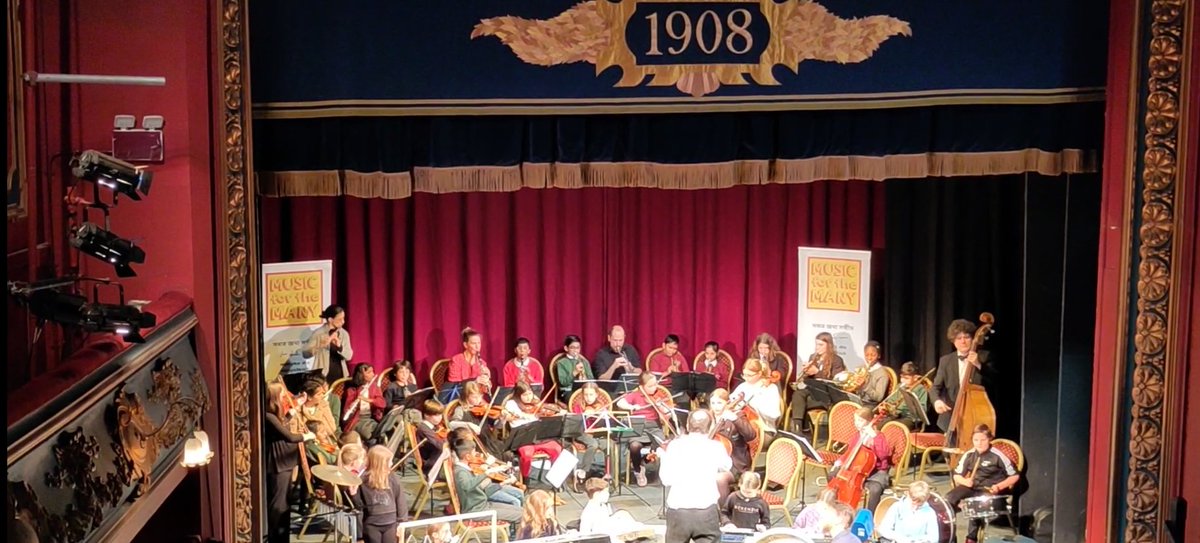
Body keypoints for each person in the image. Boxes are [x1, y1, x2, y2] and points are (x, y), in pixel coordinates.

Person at [659, 411, 732, 543]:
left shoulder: (675, 446)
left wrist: (663, 457)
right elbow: (726, 466)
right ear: (710, 427)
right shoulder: (716, 447)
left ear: (687, 425)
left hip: (678, 512)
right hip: (706, 513)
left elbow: (666, 479)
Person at [945, 425, 1019, 543]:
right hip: (972, 486)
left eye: (983, 440)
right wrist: (965, 481)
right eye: (976, 440)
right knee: (948, 499)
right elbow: (956, 475)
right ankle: (950, 536)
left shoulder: (998, 455)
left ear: (989, 439)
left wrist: (999, 486)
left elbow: (1015, 476)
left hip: (991, 489)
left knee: (975, 504)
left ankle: (971, 538)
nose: (979, 443)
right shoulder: (969, 454)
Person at [264, 382, 316, 543]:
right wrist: (307, 436)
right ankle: (276, 538)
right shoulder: (268, 416)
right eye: (281, 395)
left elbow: (283, 424)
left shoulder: (274, 415)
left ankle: (283, 537)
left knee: (285, 504)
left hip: (285, 463)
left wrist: (293, 411)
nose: (284, 398)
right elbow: (289, 436)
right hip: (278, 464)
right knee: (278, 506)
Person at [932, 319, 992, 432]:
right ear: (953, 341)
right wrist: (937, 401)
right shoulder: (946, 361)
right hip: (950, 418)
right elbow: (935, 388)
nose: (963, 341)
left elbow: (996, 381)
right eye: (959, 338)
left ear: (973, 339)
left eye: (966, 337)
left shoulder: (984, 357)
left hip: (976, 418)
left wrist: (979, 364)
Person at [829, 406, 892, 513]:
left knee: (875, 489)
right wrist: (840, 461)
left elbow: (884, 455)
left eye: (860, 420)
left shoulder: (878, 436)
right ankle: (834, 506)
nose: (856, 423)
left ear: (869, 421)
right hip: (858, 470)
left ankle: (869, 516)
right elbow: (850, 451)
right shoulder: (857, 435)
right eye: (855, 420)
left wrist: (873, 436)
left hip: (876, 472)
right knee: (833, 474)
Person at [450, 437, 524, 526]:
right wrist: (486, 473)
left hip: (483, 505)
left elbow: (483, 493)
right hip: (476, 511)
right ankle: (513, 538)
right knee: (521, 515)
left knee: (522, 511)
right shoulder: (460, 472)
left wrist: (503, 484)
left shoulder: (465, 470)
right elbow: (466, 486)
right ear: (468, 456)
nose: (477, 455)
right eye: (474, 453)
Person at [616, 372, 672, 486]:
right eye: (650, 386)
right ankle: (638, 470)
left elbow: (668, 413)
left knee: (663, 446)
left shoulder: (659, 395)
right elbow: (620, 402)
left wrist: (660, 405)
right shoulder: (635, 395)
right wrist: (631, 407)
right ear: (641, 386)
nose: (654, 388)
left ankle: (644, 462)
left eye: (655, 384)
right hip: (638, 426)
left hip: (654, 427)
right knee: (634, 446)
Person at [504, 382, 566, 480]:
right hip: (523, 440)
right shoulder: (511, 404)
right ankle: (525, 478)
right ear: (518, 395)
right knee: (527, 454)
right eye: (525, 395)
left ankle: (555, 478)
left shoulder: (535, 402)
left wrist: (557, 411)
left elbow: (545, 412)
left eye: (530, 394)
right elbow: (517, 415)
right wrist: (527, 415)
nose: (528, 397)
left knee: (557, 448)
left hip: (539, 437)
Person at [789, 332, 846, 435]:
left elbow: (835, 383)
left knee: (800, 403)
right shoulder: (813, 357)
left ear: (829, 345)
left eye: (820, 345)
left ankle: (805, 429)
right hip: (813, 391)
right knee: (798, 394)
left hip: (827, 395)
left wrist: (817, 372)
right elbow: (809, 380)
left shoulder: (837, 360)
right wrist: (806, 373)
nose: (817, 348)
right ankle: (797, 428)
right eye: (816, 344)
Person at [350, 445, 409, 543]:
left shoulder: (392, 478)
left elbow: (400, 501)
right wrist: (354, 495)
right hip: (372, 524)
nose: (392, 463)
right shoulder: (363, 480)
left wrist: (402, 522)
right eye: (389, 461)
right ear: (381, 463)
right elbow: (359, 506)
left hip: (391, 523)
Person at [709, 388, 756, 476]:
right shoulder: (709, 416)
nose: (716, 407)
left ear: (727, 402)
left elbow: (751, 435)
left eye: (719, 403)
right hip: (713, 461)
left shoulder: (738, 415)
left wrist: (735, 419)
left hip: (735, 463)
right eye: (713, 403)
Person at [302, 304, 354, 383]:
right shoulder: (319, 333)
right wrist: (320, 345)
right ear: (330, 319)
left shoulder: (344, 334)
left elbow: (349, 356)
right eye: (340, 319)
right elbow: (305, 353)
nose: (343, 322)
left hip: (340, 375)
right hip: (322, 376)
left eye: (343, 318)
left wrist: (339, 347)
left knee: (338, 395)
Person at [730, 359, 782, 436]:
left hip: (763, 430)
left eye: (749, 375)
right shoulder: (743, 385)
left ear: (759, 374)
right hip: (742, 427)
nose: (746, 378)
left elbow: (774, 415)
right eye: (744, 375)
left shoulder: (770, 388)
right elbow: (732, 401)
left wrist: (755, 404)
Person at [568, 382, 606, 482]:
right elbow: (575, 423)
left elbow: (605, 422)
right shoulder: (578, 406)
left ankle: (609, 474)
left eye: (591, 395)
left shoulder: (601, 406)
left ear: (596, 394)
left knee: (610, 445)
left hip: (596, 433)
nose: (588, 398)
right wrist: (583, 415)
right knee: (593, 444)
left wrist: (602, 416)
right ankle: (583, 470)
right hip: (581, 432)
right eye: (586, 395)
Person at [342, 363, 387, 440]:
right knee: (371, 435)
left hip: (371, 418)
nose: (373, 374)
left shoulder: (374, 386)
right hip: (357, 420)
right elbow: (346, 411)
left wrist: (368, 400)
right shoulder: (352, 389)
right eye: (369, 372)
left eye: (373, 371)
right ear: (361, 375)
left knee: (382, 432)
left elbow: (382, 404)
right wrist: (353, 405)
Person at [447, 327, 493, 401]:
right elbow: (454, 385)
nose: (477, 347)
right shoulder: (456, 360)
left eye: (479, 343)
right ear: (465, 345)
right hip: (460, 399)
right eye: (474, 343)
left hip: (476, 400)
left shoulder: (482, 363)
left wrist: (487, 380)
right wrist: (475, 380)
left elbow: (484, 391)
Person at [878, 362, 930, 429]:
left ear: (915, 378)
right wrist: (886, 407)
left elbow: (922, 410)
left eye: (906, 378)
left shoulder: (920, 389)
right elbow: (891, 401)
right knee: (879, 426)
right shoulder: (899, 386)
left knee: (894, 428)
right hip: (896, 415)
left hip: (910, 418)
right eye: (901, 377)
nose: (903, 381)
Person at [555, 335, 593, 403]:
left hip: (585, 391)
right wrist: (575, 372)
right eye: (572, 348)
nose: (576, 350)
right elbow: (563, 383)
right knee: (578, 401)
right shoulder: (561, 363)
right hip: (568, 391)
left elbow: (592, 379)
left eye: (578, 348)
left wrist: (585, 377)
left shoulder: (584, 362)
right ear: (566, 348)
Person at [414, 399, 448, 475]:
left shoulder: (434, 426)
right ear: (426, 415)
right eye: (436, 415)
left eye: (440, 415)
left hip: (436, 458)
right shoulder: (423, 429)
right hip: (430, 464)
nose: (440, 418)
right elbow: (439, 445)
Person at [855, 341, 891, 409]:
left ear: (879, 355)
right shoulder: (862, 368)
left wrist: (865, 386)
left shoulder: (882, 374)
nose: (869, 358)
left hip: (871, 405)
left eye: (873, 355)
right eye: (867, 355)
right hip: (859, 401)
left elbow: (878, 397)